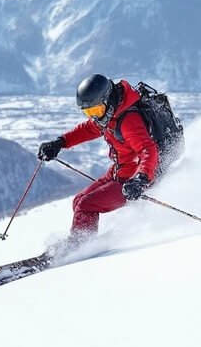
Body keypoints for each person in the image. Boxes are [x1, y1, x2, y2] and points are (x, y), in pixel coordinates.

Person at [36, 73, 162, 245]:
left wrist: (141, 179)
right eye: (89, 112)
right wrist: (60, 143)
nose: (95, 116)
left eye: (96, 110)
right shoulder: (109, 115)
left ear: (108, 100)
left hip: (134, 180)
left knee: (86, 205)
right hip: (122, 170)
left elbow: (148, 149)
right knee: (79, 201)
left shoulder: (128, 120)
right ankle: (83, 242)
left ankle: (79, 246)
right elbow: (88, 129)